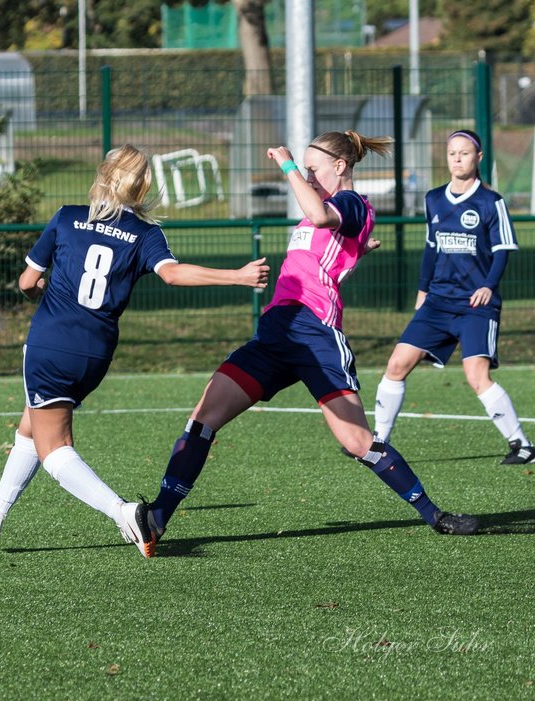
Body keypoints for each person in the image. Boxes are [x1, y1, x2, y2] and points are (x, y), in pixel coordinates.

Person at [142, 132, 479, 556]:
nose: (305, 175)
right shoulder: (325, 211)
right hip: (275, 334)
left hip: (316, 337)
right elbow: (327, 254)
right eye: (302, 168)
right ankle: (157, 517)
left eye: (312, 168)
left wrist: (285, 165)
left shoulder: (351, 202)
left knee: (357, 442)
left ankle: (435, 515)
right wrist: (357, 253)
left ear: (340, 167)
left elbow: (323, 219)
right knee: (202, 419)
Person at [0, 144, 269, 556]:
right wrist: (238, 276)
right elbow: (171, 275)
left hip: (50, 343)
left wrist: (43, 291)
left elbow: (27, 282)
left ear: (102, 176)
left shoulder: (67, 217)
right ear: (141, 187)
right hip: (96, 353)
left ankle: (124, 513)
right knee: (33, 423)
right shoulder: (145, 233)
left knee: (54, 447)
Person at [371, 129, 535, 465]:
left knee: (477, 376)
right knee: (396, 365)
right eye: (452, 153)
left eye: (464, 153)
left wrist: (488, 285)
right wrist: (422, 290)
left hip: (476, 306)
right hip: (438, 301)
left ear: (478, 158)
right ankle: (377, 443)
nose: (457, 159)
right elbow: (431, 248)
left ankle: (523, 446)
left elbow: (503, 249)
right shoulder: (434, 198)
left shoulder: (491, 202)